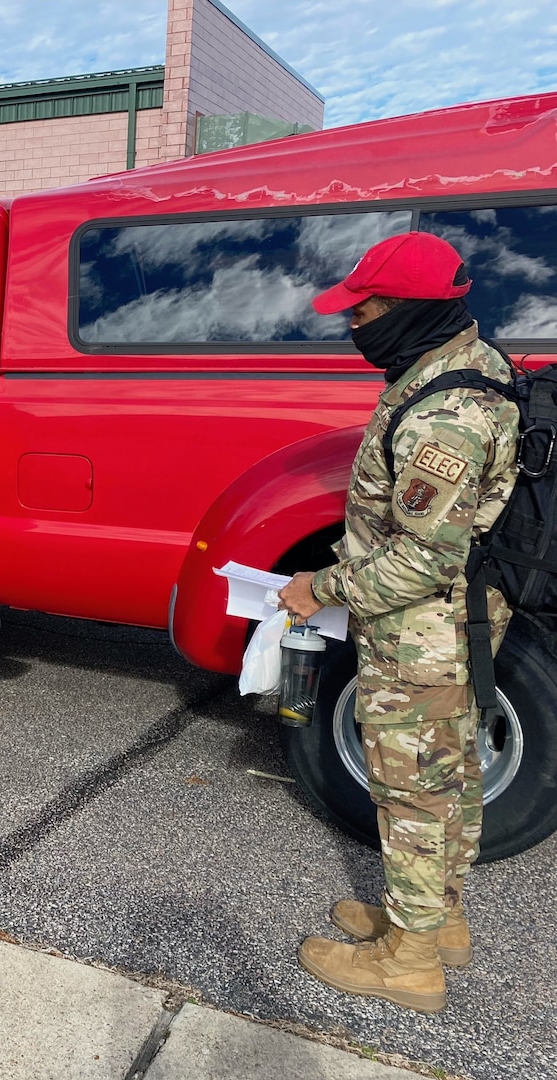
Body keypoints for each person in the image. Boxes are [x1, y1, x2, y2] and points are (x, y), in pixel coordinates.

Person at [276, 232, 520, 1014]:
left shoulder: (444, 415)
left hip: (426, 627)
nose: (354, 323)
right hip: (459, 622)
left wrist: (323, 586)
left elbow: (425, 559)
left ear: (410, 308)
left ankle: (411, 963)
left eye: (367, 308)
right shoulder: (469, 366)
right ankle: (436, 920)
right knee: (451, 773)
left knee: (413, 787)